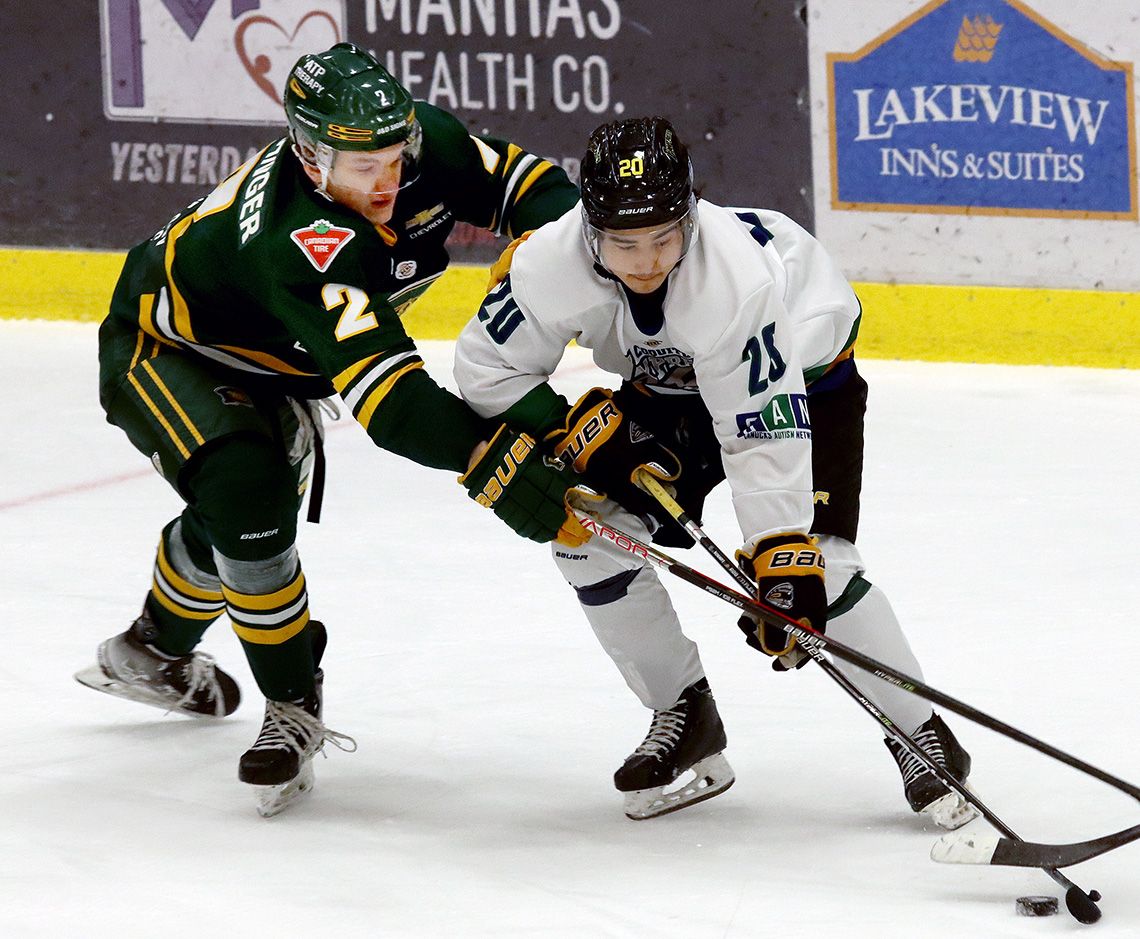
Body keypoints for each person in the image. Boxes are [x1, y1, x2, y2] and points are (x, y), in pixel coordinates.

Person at [75, 42, 585, 817]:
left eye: (394, 156)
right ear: (311, 160)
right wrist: (485, 454)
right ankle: (293, 702)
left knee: (237, 512)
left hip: (285, 358)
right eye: (361, 167)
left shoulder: (417, 143)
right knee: (247, 495)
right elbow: (393, 404)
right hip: (170, 346)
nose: (386, 180)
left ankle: (150, 650)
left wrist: (552, 263)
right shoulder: (302, 239)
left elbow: (539, 191)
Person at [454, 116, 977, 826]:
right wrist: (564, 425)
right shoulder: (549, 261)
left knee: (820, 564)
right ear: (588, 228)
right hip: (670, 383)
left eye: (665, 239)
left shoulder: (733, 280)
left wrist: (779, 551)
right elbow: (487, 366)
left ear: (691, 214)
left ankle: (922, 731)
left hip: (805, 378)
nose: (645, 261)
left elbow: (763, 422)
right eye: (624, 243)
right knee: (588, 535)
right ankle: (684, 713)